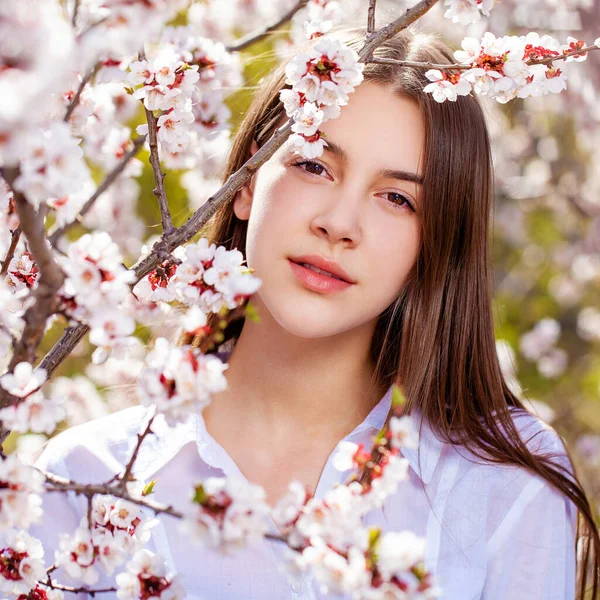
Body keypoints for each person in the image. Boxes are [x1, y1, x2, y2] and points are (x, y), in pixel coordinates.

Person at [27, 26, 599, 600]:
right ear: (246, 182)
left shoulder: (503, 486)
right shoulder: (81, 480)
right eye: (314, 166)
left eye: (398, 199)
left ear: (435, 243)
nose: (339, 224)